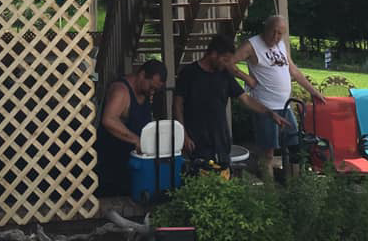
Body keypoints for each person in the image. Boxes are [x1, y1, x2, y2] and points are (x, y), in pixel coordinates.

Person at [230, 15, 326, 169]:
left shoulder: (281, 44)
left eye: (280, 33)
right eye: (273, 32)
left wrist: (313, 91)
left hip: (285, 106)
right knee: (268, 152)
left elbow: (293, 70)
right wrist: (246, 78)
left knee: (295, 147)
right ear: (265, 28)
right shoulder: (251, 45)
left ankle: (293, 185)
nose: (275, 37)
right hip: (265, 106)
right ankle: (270, 191)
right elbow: (229, 63)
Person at [173, 35, 282, 168]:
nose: (227, 64)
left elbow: (245, 99)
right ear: (213, 54)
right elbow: (178, 105)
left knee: (223, 177)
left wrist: (269, 112)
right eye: (224, 60)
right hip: (196, 140)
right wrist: (183, 134)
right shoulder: (189, 73)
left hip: (220, 140)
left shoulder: (224, 74)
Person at [94, 59, 168, 196]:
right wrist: (136, 140)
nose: (152, 92)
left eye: (155, 90)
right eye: (151, 87)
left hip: (133, 165)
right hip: (111, 164)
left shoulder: (145, 94)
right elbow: (109, 119)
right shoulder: (121, 91)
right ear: (142, 75)